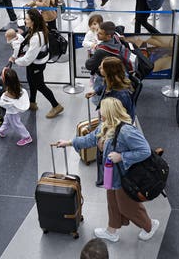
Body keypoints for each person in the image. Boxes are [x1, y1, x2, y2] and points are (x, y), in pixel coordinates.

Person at [56, 97, 160, 243]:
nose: (99, 112)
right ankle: (112, 231)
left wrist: (121, 156)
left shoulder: (127, 131)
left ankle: (150, 225)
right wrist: (69, 142)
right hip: (112, 175)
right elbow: (90, 139)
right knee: (112, 203)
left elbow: (145, 151)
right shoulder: (105, 126)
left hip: (125, 177)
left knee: (127, 206)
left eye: (102, 110)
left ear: (110, 112)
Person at [10, 8, 64, 118]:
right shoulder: (35, 30)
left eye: (27, 19)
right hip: (35, 62)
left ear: (33, 21)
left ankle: (56, 106)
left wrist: (16, 61)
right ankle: (32, 103)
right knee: (31, 81)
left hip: (37, 64)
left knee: (40, 85)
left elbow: (28, 59)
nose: (25, 21)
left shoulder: (37, 37)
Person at [86, 57, 136, 122]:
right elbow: (104, 86)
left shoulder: (121, 96)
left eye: (102, 67)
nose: (99, 67)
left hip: (118, 123)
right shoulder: (112, 80)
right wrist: (95, 91)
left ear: (108, 71)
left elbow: (122, 118)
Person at [0, 67, 32, 146]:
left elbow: (2, 104)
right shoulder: (19, 88)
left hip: (12, 113)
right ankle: (2, 131)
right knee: (6, 120)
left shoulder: (7, 94)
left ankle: (27, 137)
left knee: (16, 125)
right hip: (13, 110)